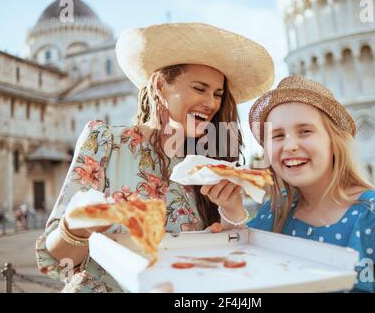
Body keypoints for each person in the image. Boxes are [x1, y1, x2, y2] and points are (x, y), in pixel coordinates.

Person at [35, 22, 274, 293]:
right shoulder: (104, 141)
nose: (211, 103)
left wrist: (231, 211)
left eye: (217, 94)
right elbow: (55, 262)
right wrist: (76, 227)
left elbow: (224, 255)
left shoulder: (210, 163)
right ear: (161, 85)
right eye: (199, 88)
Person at [209, 75, 375, 293]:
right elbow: (241, 262)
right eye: (277, 135)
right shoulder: (275, 212)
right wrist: (231, 209)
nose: (290, 146)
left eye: (305, 131)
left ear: (334, 141)